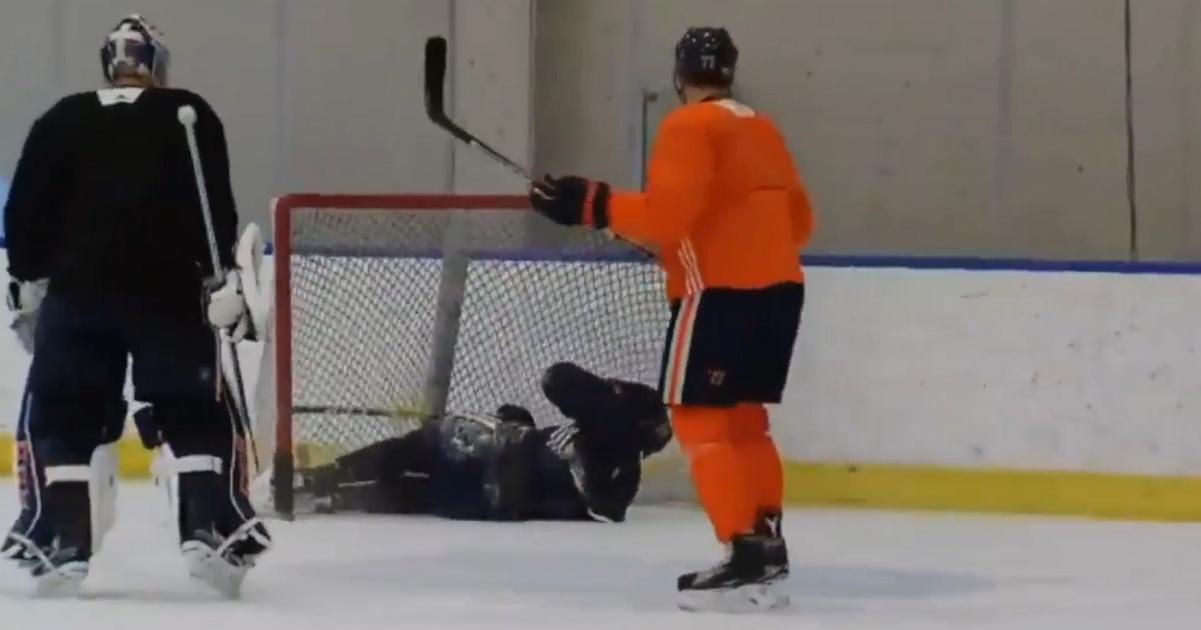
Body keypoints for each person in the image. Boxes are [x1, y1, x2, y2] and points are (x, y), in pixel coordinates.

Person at [528, 27, 815, 612]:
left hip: (719, 295)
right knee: (745, 423)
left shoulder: (688, 125)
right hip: (780, 292)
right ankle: (768, 545)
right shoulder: (761, 127)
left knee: (700, 420)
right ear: (731, 70)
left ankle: (744, 553)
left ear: (680, 75)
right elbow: (800, 222)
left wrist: (590, 203)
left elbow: (666, 217)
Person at [1, 14, 269, 597]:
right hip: (168, 295)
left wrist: (27, 279)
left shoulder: (62, 116)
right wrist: (218, 277)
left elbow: (24, 211)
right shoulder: (187, 113)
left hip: (79, 294)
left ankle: (61, 539)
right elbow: (212, 206)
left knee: (64, 410)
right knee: (193, 406)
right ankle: (211, 529)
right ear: (158, 63)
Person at [297, 362, 672, 524]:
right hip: (496, 474)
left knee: (417, 463)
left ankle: (325, 483)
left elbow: (607, 508)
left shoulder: (614, 459)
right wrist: (523, 425)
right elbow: (558, 383)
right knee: (419, 477)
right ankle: (329, 489)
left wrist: (579, 462)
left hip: (495, 477)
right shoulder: (590, 432)